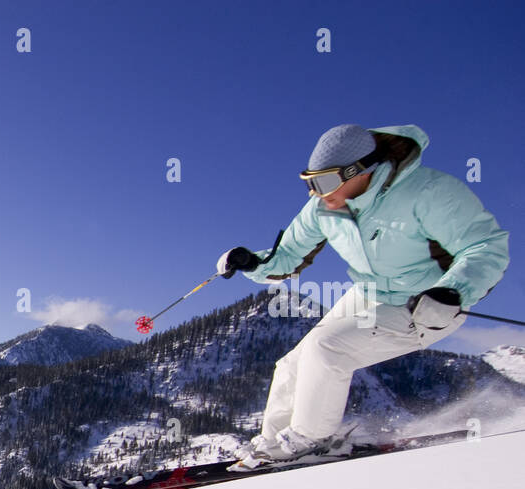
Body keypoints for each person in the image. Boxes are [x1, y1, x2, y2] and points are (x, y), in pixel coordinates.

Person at [218, 124, 509, 464]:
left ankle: (310, 440)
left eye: (323, 182)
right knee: (292, 364)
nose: (316, 193)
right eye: (310, 183)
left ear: (361, 170)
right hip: (370, 294)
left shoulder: (429, 192)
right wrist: (252, 261)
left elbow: (485, 247)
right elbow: (287, 255)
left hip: (426, 303)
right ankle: (272, 443)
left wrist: (453, 291)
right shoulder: (324, 208)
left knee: (327, 349)